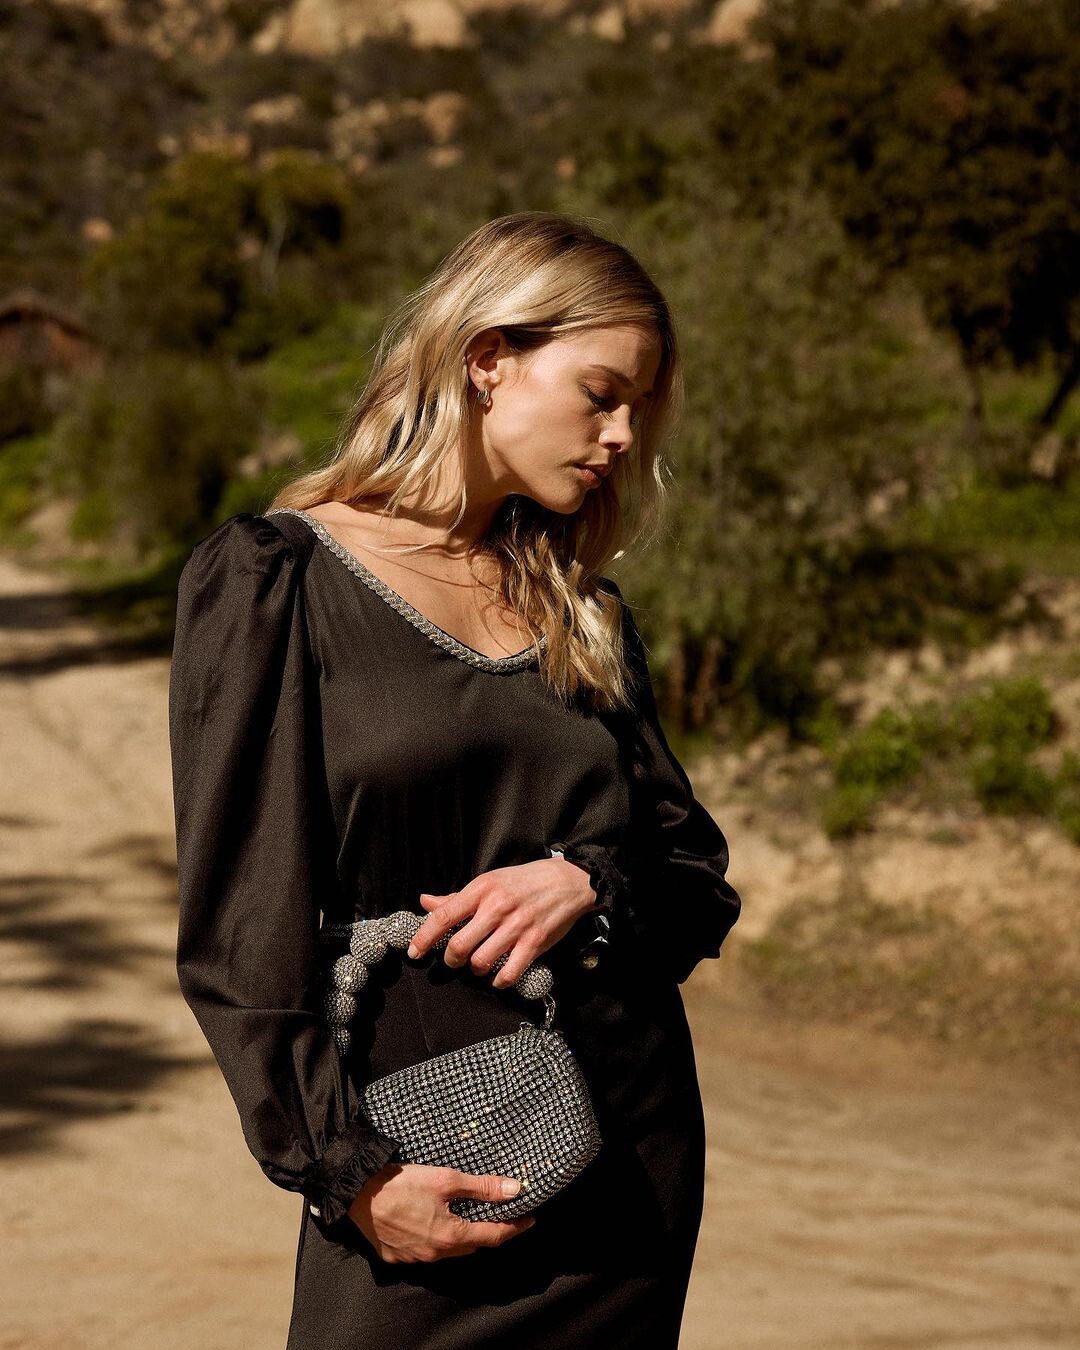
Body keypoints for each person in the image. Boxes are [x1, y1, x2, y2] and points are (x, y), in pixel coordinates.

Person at [169, 210, 742, 1349]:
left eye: (639, 408)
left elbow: (693, 875)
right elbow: (242, 928)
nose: (623, 435)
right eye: (602, 394)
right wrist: (346, 1173)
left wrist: (588, 884)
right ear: (488, 359)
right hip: (416, 1163)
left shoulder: (581, 610)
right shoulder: (278, 581)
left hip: (629, 1155)